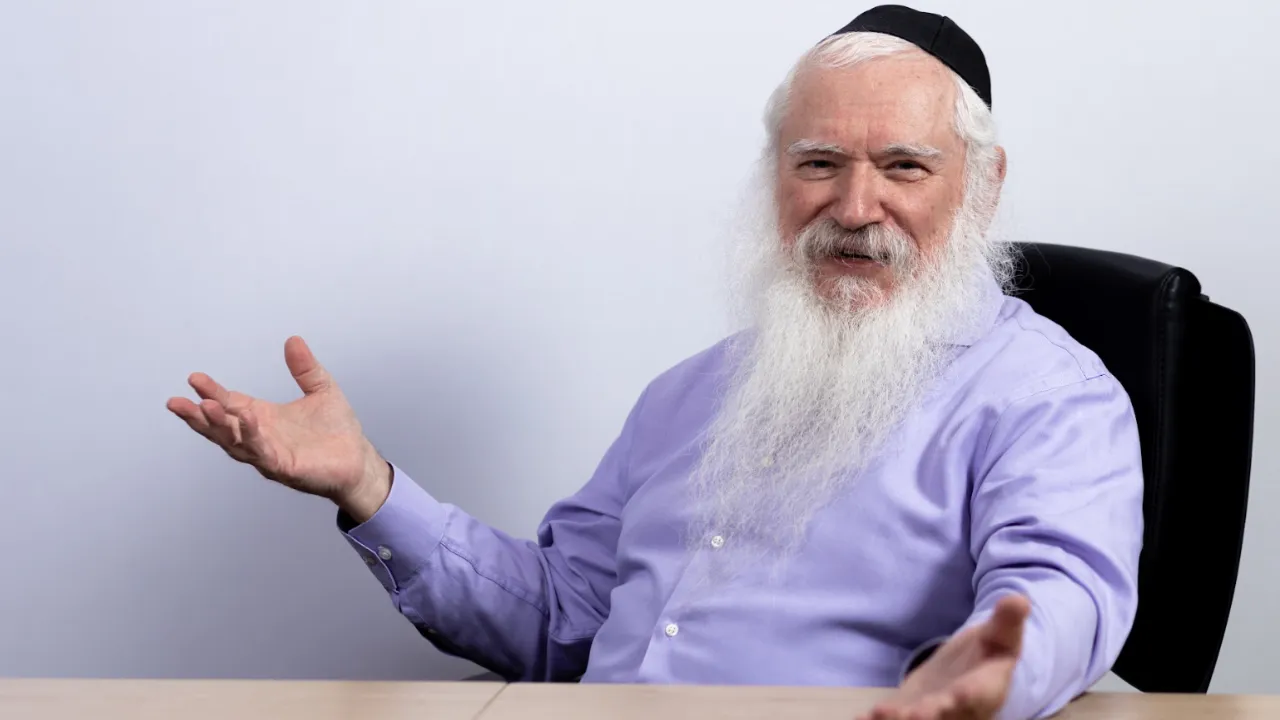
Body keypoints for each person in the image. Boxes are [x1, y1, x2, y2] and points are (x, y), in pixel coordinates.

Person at [167, 6, 1143, 720]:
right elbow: (560, 620)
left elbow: (1061, 598)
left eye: (902, 166)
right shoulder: (690, 395)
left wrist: (986, 675)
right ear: (774, 179)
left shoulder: (1045, 398)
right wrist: (368, 485)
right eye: (817, 163)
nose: (853, 207)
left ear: (981, 186)